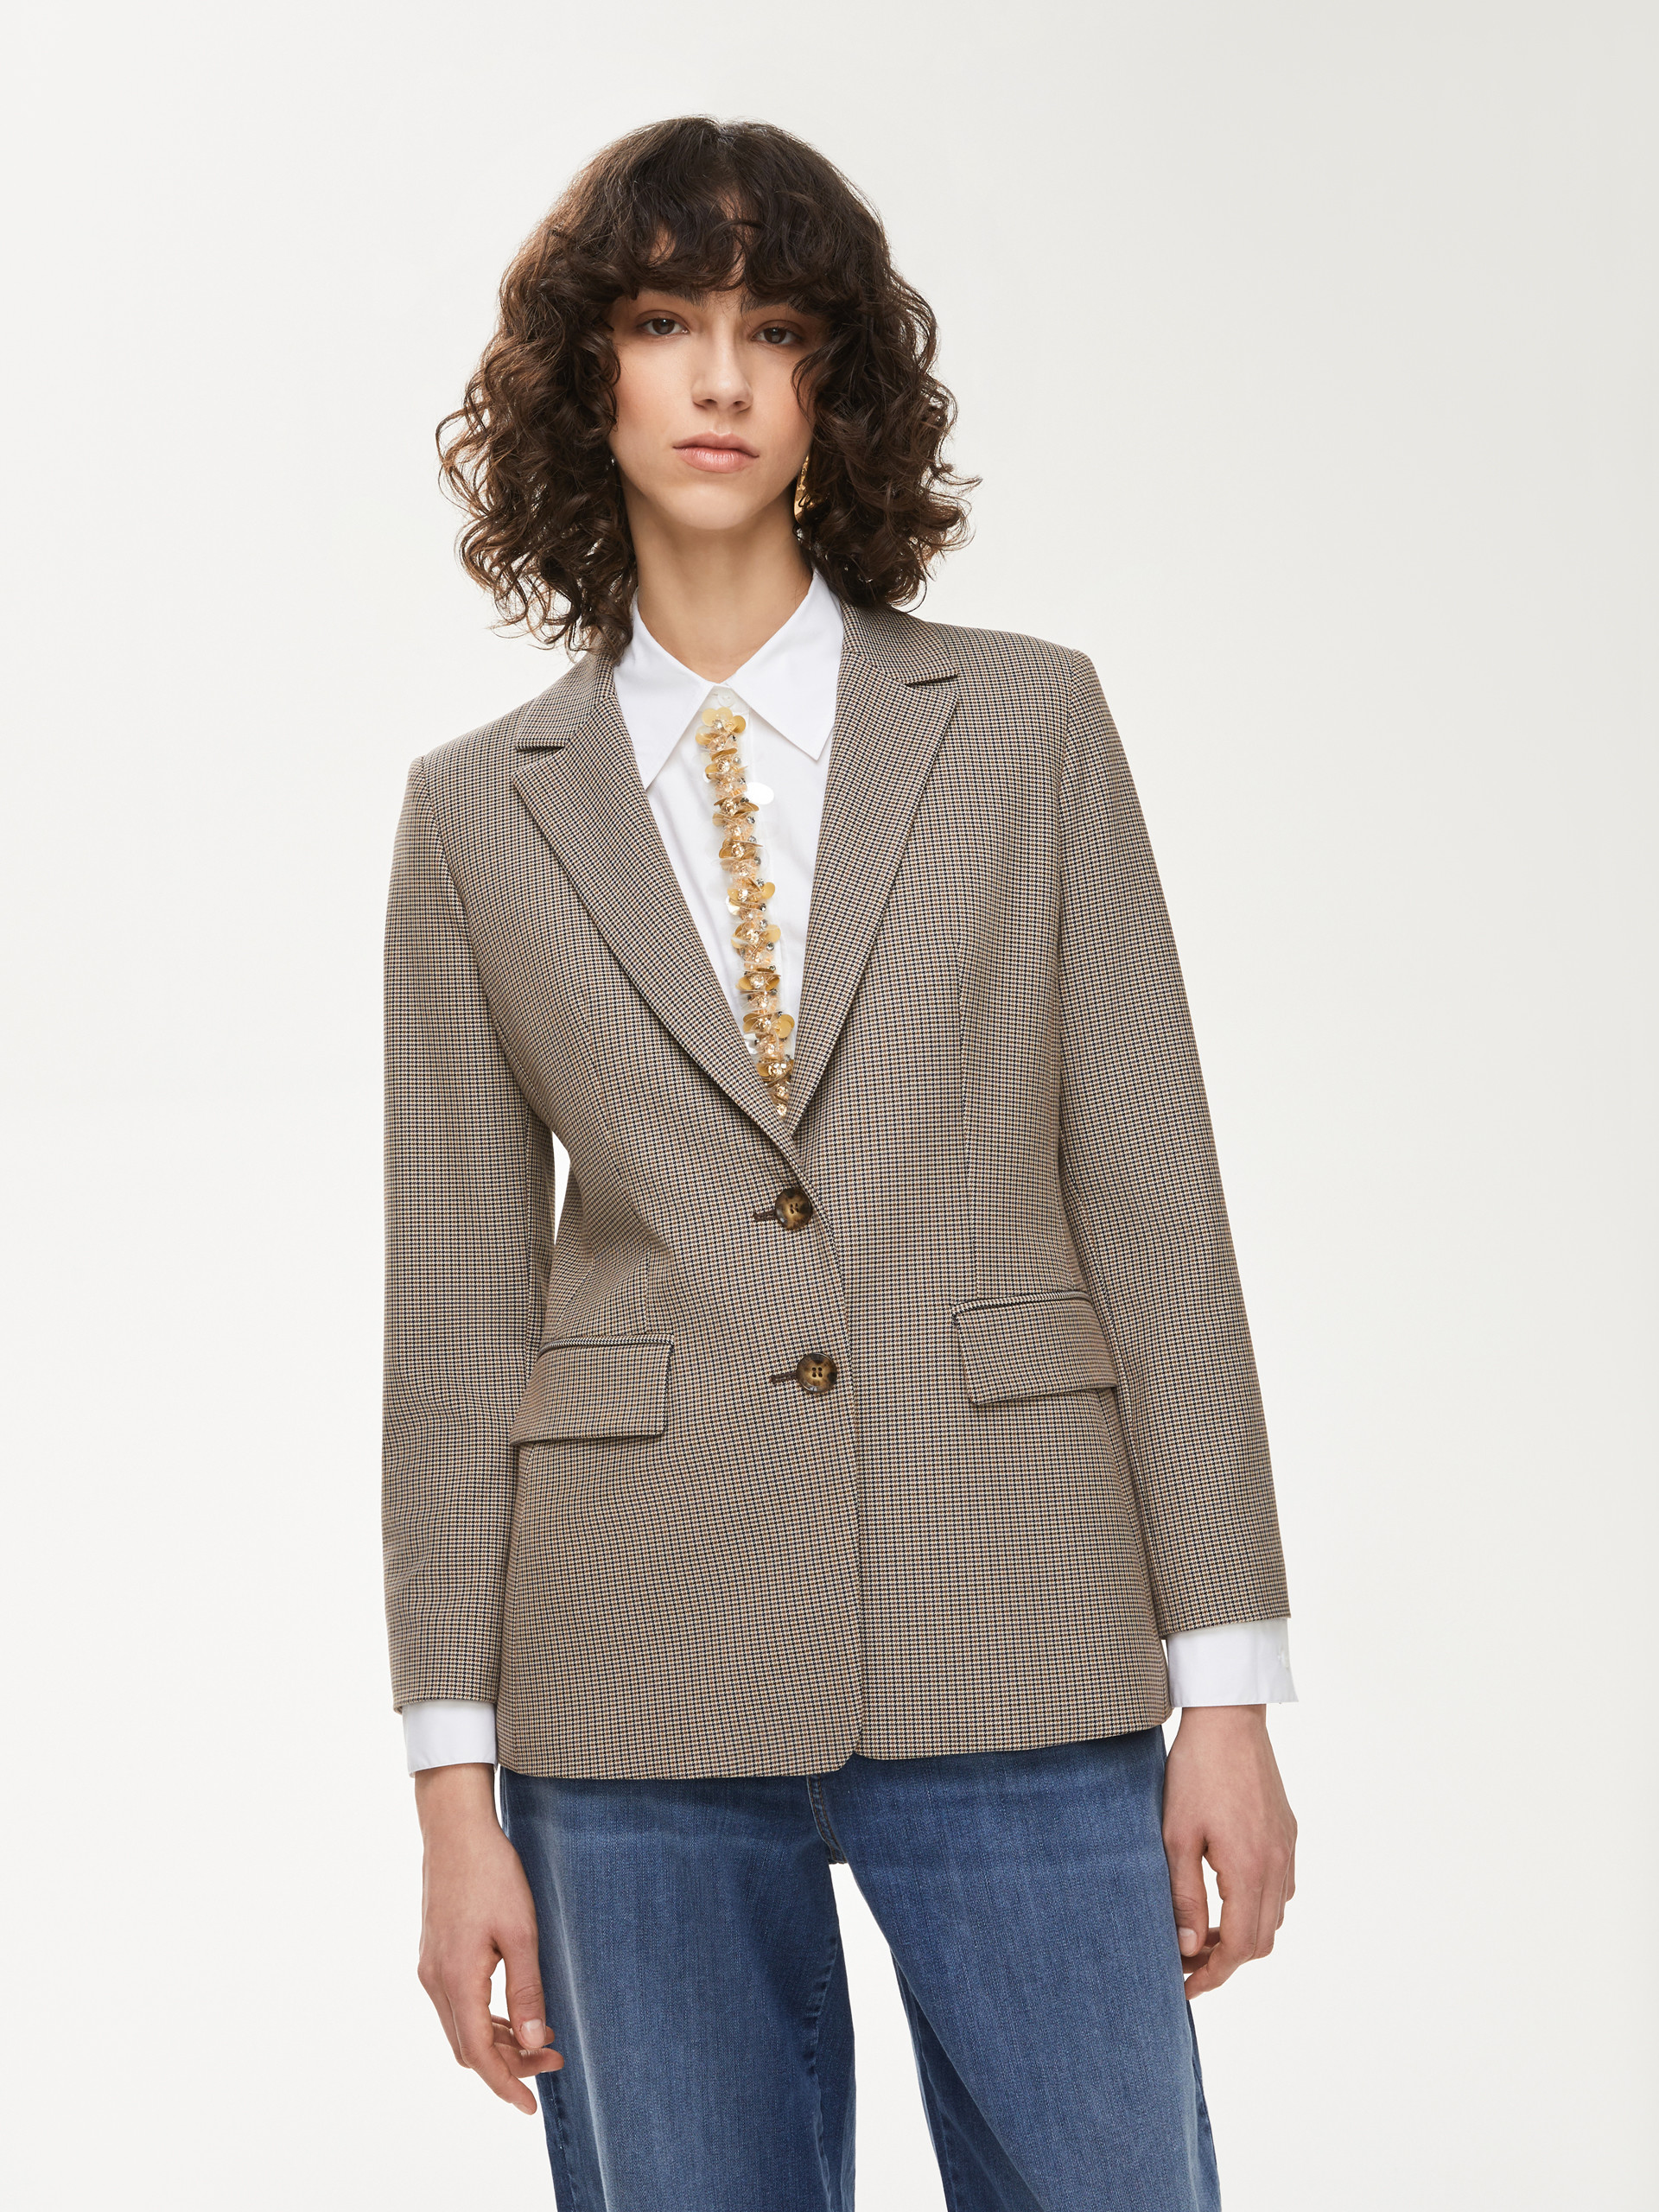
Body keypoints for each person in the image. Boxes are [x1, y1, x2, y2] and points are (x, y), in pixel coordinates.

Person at [384, 114, 1298, 2212]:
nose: (720, 377)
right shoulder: (475, 812)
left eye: (776, 329)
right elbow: (456, 1325)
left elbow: (1156, 1208)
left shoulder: (1030, 726)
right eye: (663, 324)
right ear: (586, 378)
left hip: (1017, 1612)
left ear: (835, 386)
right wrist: (450, 1786)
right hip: (628, 1672)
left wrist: (1230, 1687)